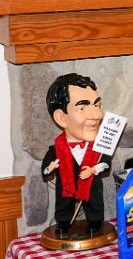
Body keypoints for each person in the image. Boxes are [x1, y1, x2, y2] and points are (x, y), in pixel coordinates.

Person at [42, 73, 111, 237]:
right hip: (67, 187)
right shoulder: (57, 149)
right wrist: (50, 168)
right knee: (64, 202)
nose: (97, 115)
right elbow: (46, 169)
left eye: (97, 105)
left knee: (94, 201)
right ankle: (63, 223)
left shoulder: (100, 146)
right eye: (82, 108)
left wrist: (93, 170)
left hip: (91, 186)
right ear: (61, 118)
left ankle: (95, 221)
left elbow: (106, 164)